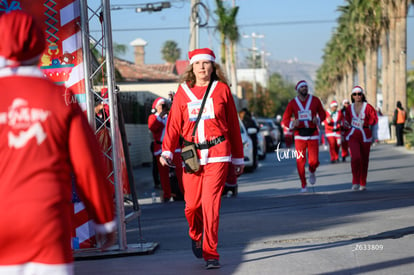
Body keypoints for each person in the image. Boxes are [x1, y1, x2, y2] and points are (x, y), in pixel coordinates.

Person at [0, 11, 116, 275]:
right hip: (46, 221)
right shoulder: (59, 97)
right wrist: (104, 220)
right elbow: (89, 166)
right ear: (41, 44)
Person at [159, 48, 244, 269]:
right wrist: (167, 150)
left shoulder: (222, 90)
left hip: (218, 153)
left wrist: (238, 158)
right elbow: (173, 124)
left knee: (210, 203)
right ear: (192, 67)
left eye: (207, 63)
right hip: (192, 156)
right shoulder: (183, 93)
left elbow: (233, 126)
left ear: (213, 67)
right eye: (198, 64)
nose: (202, 67)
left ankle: (211, 253)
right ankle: (195, 233)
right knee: (192, 205)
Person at [282, 80, 326, 193]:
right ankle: (303, 184)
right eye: (302, 87)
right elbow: (285, 119)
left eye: (306, 87)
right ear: (298, 90)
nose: (305, 89)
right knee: (300, 161)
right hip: (299, 135)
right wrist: (292, 124)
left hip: (313, 134)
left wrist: (319, 119)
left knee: (314, 161)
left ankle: (312, 171)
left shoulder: (315, 100)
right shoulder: (292, 103)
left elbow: (323, 113)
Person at [148, 97, 184, 202]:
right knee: (163, 174)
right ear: (155, 107)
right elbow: (153, 127)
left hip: (175, 147)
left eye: (164, 105)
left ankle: (183, 193)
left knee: (180, 171)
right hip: (160, 148)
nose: (162, 107)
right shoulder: (153, 117)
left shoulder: (170, 116)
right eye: (160, 105)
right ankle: (167, 194)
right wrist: (160, 116)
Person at [344, 86, 378, 191]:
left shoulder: (368, 107)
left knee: (364, 160)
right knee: (356, 158)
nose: (357, 96)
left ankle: (363, 182)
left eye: (359, 94)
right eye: (355, 94)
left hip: (365, 136)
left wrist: (368, 122)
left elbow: (374, 119)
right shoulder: (349, 108)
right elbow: (346, 120)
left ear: (362, 95)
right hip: (353, 135)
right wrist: (346, 124)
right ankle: (355, 181)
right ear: (352, 96)